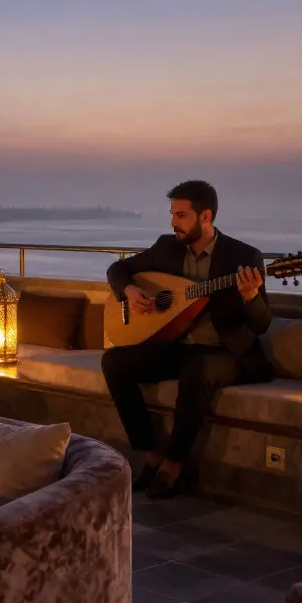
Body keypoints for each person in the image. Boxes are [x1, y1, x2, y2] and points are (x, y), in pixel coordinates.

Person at [101, 180, 272, 498]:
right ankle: (151, 455)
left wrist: (250, 296)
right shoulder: (167, 248)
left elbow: (262, 324)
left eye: (180, 215)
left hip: (227, 352)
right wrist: (129, 290)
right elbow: (118, 268)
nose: (173, 222)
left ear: (205, 216)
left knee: (198, 370)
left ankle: (174, 466)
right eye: (172, 214)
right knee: (114, 361)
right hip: (177, 346)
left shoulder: (244, 256)